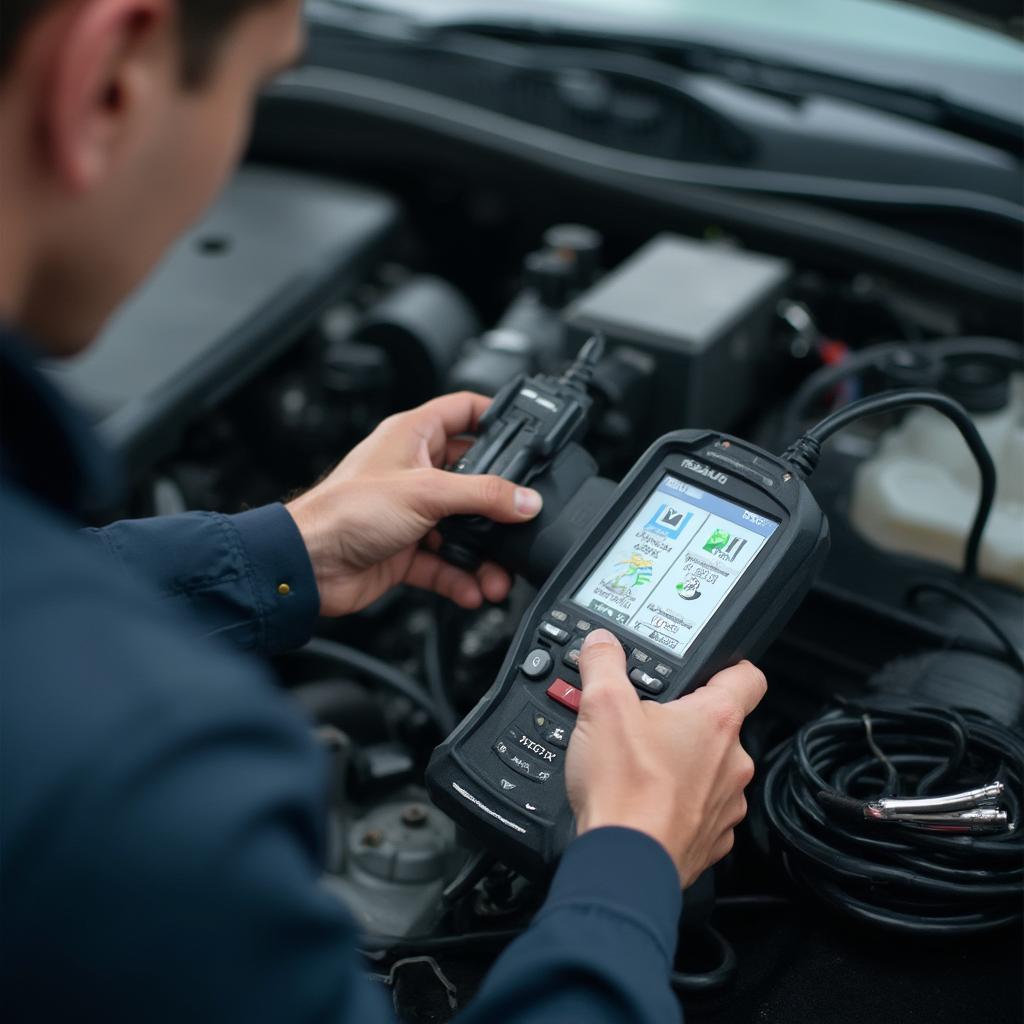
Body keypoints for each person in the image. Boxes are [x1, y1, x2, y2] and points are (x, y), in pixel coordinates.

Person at [0, 2, 766, 1020]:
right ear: (106, 81)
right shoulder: (140, 779)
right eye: (256, 90)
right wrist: (629, 863)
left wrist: (282, 550)